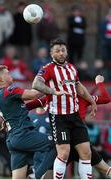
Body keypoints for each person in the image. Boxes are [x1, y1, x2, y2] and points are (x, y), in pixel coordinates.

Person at [32, 37, 97, 179]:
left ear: (66, 51)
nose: (61, 53)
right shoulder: (47, 69)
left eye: (63, 50)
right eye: (57, 51)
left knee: (86, 152)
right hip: (59, 117)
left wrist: (91, 100)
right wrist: (53, 91)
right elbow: (36, 84)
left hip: (74, 115)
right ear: (52, 54)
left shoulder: (72, 68)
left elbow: (78, 87)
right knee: (64, 152)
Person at [0, 64, 67, 179]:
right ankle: (38, 176)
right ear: (1, 79)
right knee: (57, 144)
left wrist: (50, 96)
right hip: (22, 134)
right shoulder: (9, 90)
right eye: (7, 73)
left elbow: (26, 107)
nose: (10, 75)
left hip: (13, 139)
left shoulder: (0, 95)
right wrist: (50, 86)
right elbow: (34, 94)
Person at [29, 74, 111, 178]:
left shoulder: (82, 98)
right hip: (70, 143)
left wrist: (99, 83)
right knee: (42, 174)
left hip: (72, 142)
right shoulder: (57, 97)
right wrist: (99, 82)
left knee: (103, 168)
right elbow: (30, 105)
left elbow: (106, 99)